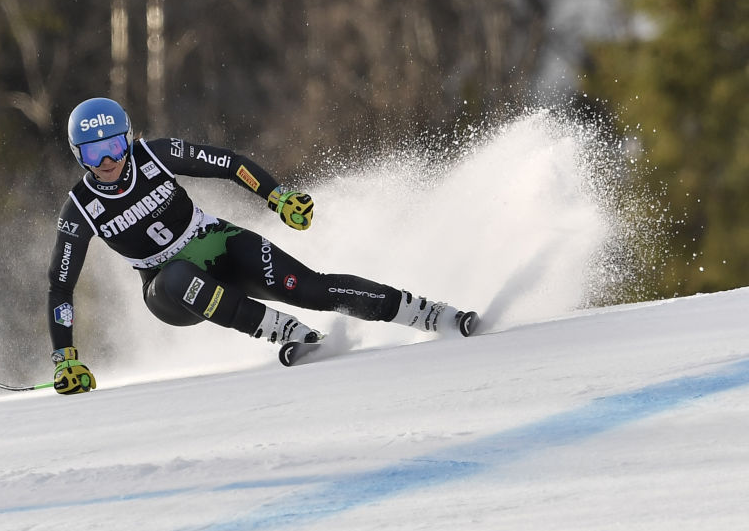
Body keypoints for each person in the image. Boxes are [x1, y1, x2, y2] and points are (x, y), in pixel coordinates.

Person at [47, 97, 477, 394]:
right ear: (78, 156)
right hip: (169, 292)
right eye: (94, 153)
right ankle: (282, 331)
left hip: (216, 242)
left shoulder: (155, 155)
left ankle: (423, 312)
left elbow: (228, 163)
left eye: (115, 145)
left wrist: (278, 196)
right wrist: (65, 357)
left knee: (309, 288)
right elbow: (60, 287)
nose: (109, 161)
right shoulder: (81, 208)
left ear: (129, 139)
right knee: (176, 275)